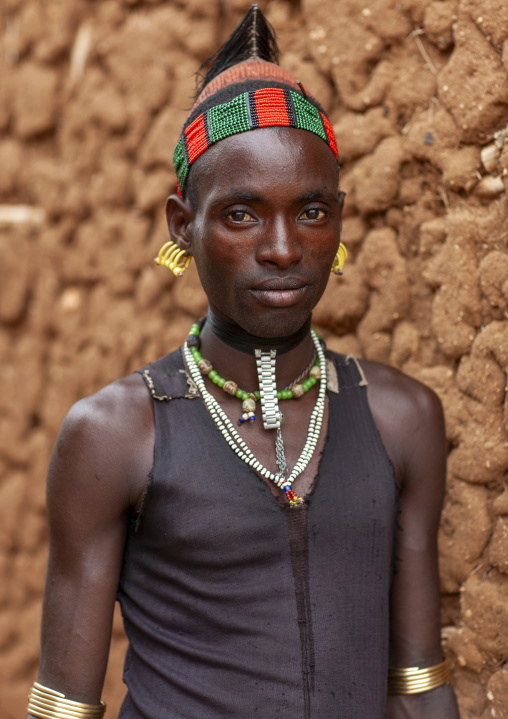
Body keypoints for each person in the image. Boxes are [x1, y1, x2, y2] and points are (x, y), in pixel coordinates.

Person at [27, 5, 460, 719]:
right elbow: (64, 705)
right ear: (181, 224)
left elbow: (418, 682)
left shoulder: (400, 418)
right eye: (242, 214)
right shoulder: (115, 434)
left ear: (341, 221)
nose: (284, 247)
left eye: (312, 212)